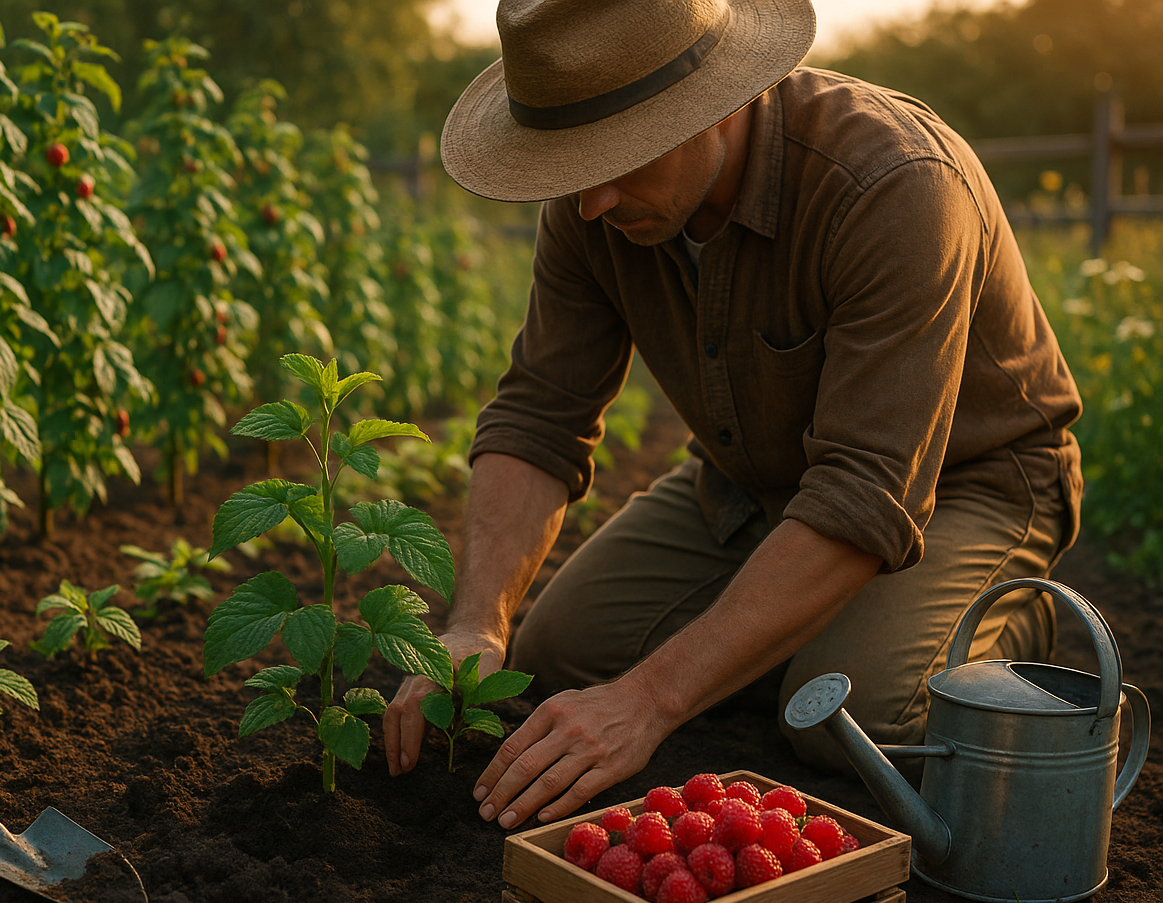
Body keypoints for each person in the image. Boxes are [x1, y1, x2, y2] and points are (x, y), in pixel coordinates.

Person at [380, 0, 1083, 830]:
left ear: (718, 104)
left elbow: (866, 490)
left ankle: (1006, 612)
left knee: (861, 722)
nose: (594, 199)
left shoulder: (894, 184)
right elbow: (540, 413)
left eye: (621, 159)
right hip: (755, 481)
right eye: (573, 164)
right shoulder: (589, 205)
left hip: (966, 484)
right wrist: (473, 626)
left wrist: (650, 701)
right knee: (554, 655)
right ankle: (792, 637)